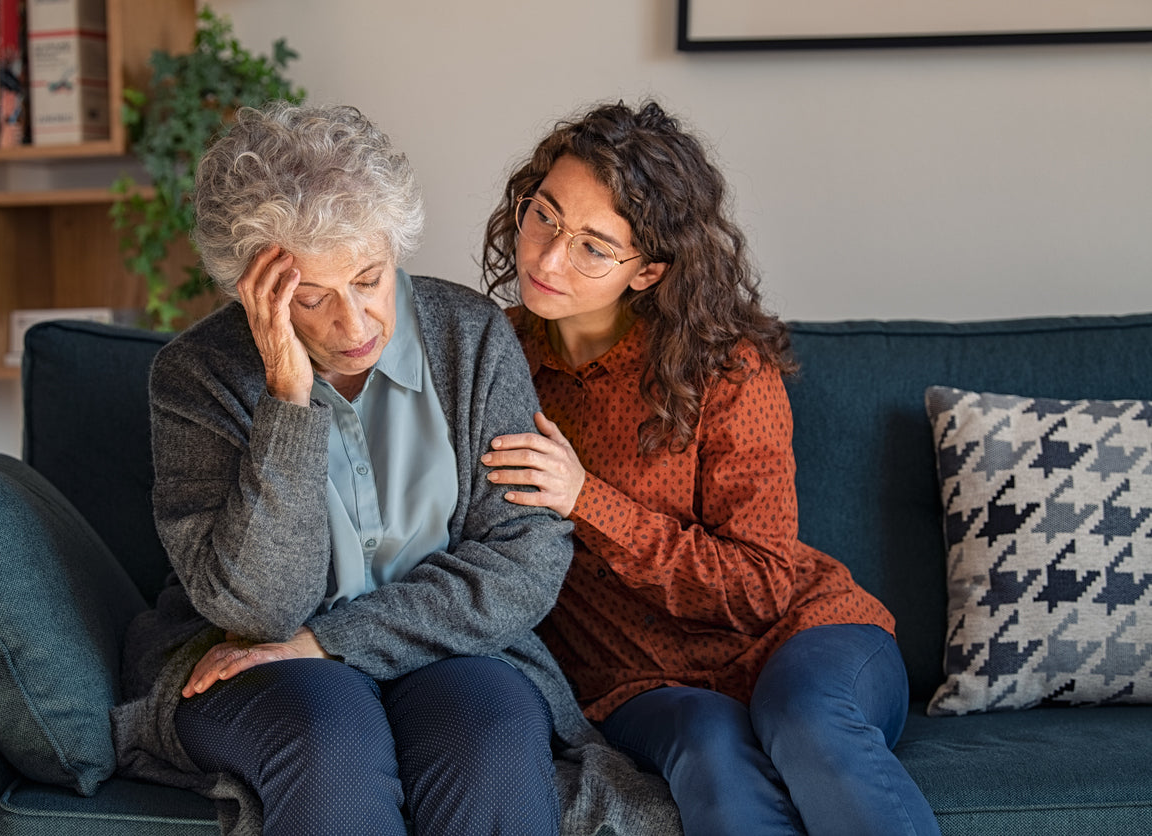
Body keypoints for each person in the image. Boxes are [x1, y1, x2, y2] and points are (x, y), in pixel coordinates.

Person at [108, 102, 678, 836]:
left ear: (394, 247)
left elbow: (524, 559)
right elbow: (258, 614)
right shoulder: (198, 377)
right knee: (331, 735)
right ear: (251, 289)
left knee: (492, 737)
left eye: (369, 279)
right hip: (249, 665)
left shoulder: (468, 338)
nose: (355, 326)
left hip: (452, 648)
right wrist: (287, 400)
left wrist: (334, 641)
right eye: (311, 299)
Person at [480, 100, 941, 836]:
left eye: (594, 246)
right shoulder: (493, 359)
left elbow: (761, 585)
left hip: (806, 638)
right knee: (712, 751)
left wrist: (585, 499)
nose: (546, 257)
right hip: (639, 679)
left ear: (648, 271)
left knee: (808, 723)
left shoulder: (726, 373)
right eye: (544, 216)